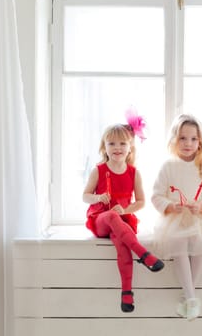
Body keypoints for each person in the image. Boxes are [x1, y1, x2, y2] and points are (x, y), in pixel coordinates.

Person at [83, 115, 164, 313]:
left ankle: (126, 293)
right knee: (111, 216)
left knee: (121, 243)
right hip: (101, 219)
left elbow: (141, 202)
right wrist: (98, 197)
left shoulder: (134, 173)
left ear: (130, 148)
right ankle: (144, 255)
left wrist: (125, 209)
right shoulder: (99, 170)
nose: (117, 148)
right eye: (112, 143)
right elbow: (85, 196)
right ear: (105, 147)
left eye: (122, 143)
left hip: (123, 220)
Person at [151, 114, 202, 321]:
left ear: (200, 142)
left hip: (199, 218)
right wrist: (170, 206)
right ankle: (191, 297)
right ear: (174, 139)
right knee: (179, 241)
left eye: (193, 139)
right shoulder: (168, 166)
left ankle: (189, 296)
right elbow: (156, 195)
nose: (188, 143)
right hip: (175, 218)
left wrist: (201, 206)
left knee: (201, 244)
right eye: (183, 138)